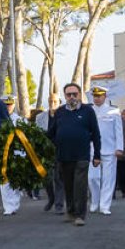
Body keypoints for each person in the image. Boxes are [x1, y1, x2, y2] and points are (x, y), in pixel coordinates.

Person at [47, 83, 101, 227]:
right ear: (65, 96)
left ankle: (80, 215)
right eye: (69, 94)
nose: (72, 97)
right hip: (63, 156)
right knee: (68, 186)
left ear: (79, 94)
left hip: (82, 156)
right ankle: (70, 211)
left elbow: (95, 134)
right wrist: (55, 141)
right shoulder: (59, 112)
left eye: (75, 94)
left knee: (80, 185)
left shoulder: (88, 111)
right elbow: (50, 133)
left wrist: (97, 155)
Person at [87, 86, 123, 215]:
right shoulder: (89, 110)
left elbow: (118, 131)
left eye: (99, 96)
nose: (96, 99)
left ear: (105, 96)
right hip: (92, 149)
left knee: (108, 178)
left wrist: (119, 148)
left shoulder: (114, 111)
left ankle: (105, 205)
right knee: (92, 178)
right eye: (95, 96)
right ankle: (95, 201)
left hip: (110, 148)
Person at [0, 95, 23, 215]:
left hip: (17, 154)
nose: (8, 107)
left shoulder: (20, 120)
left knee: (15, 181)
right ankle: (8, 207)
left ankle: (15, 202)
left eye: (10, 104)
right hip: (2, 154)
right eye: (6, 104)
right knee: (3, 181)